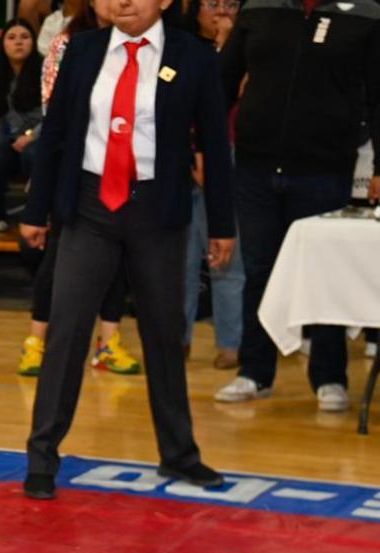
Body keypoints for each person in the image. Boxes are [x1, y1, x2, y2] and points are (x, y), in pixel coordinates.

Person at [19, 0, 235, 499]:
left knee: (163, 334)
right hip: (90, 207)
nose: (123, 2)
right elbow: (55, 135)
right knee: (67, 330)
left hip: (157, 211)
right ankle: (42, 457)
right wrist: (36, 210)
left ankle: (180, 454)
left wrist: (222, 224)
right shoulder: (83, 50)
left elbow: (216, 147)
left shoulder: (195, 56)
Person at [214, 0, 380, 411]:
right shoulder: (258, 7)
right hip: (254, 164)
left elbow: (379, 96)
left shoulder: (366, 12)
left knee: (326, 276)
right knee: (258, 270)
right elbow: (221, 82)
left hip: (325, 168)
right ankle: (254, 372)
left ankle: (329, 377)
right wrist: (203, 146)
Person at [22, 0, 141, 378]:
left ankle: (107, 342)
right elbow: (54, 110)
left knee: (119, 254)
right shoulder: (67, 42)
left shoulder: (141, 41)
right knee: (59, 256)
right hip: (75, 164)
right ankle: (36, 342)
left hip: (126, 166)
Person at [182, 0, 242, 369]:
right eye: (211, 4)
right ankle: (177, 338)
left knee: (226, 255)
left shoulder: (250, 50)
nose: (221, 11)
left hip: (232, 156)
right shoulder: (183, 47)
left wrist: (228, 46)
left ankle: (231, 342)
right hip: (183, 158)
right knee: (180, 259)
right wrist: (192, 152)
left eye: (230, 3)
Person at [0, 19, 43, 232]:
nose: (18, 42)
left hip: (44, 138)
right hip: (16, 141)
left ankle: (39, 215)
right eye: (12, 37)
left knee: (33, 153)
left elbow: (56, 115)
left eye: (25, 37)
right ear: (3, 44)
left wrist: (32, 136)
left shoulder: (46, 70)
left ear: (33, 43)